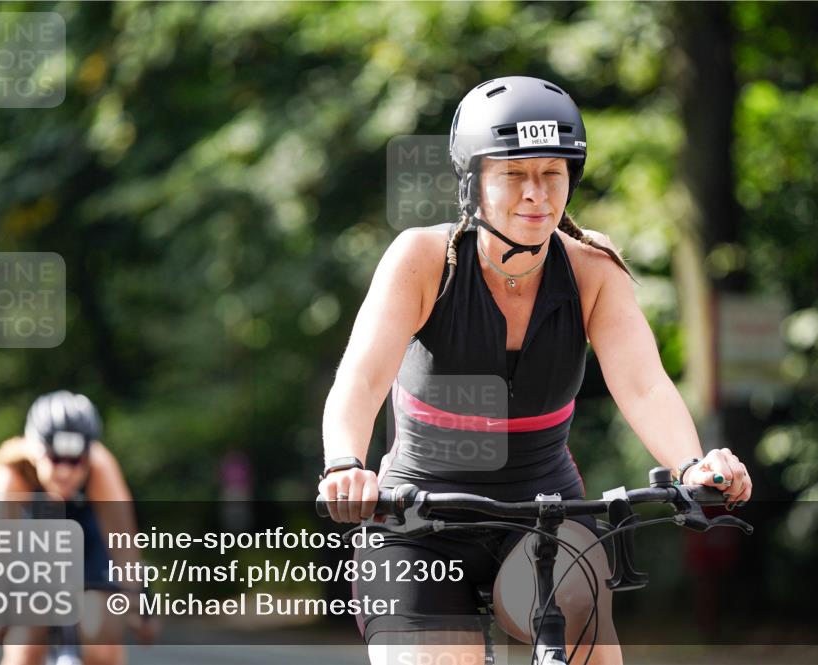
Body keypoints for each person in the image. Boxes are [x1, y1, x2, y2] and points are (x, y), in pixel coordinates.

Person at [319, 76, 753, 665]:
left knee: (586, 634)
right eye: (513, 174)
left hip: (548, 514)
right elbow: (362, 378)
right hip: (416, 520)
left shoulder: (593, 267)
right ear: (472, 182)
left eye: (552, 173)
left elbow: (644, 385)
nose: (536, 193)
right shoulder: (423, 259)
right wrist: (346, 464)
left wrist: (693, 466)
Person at [0, 390, 154, 665]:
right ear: (36, 451)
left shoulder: (102, 468)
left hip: (90, 544)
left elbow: (125, 546)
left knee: (103, 641)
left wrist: (141, 604)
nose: (65, 471)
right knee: (24, 643)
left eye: (75, 461)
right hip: (33, 550)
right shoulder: (13, 474)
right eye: (54, 459)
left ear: (88, 455)